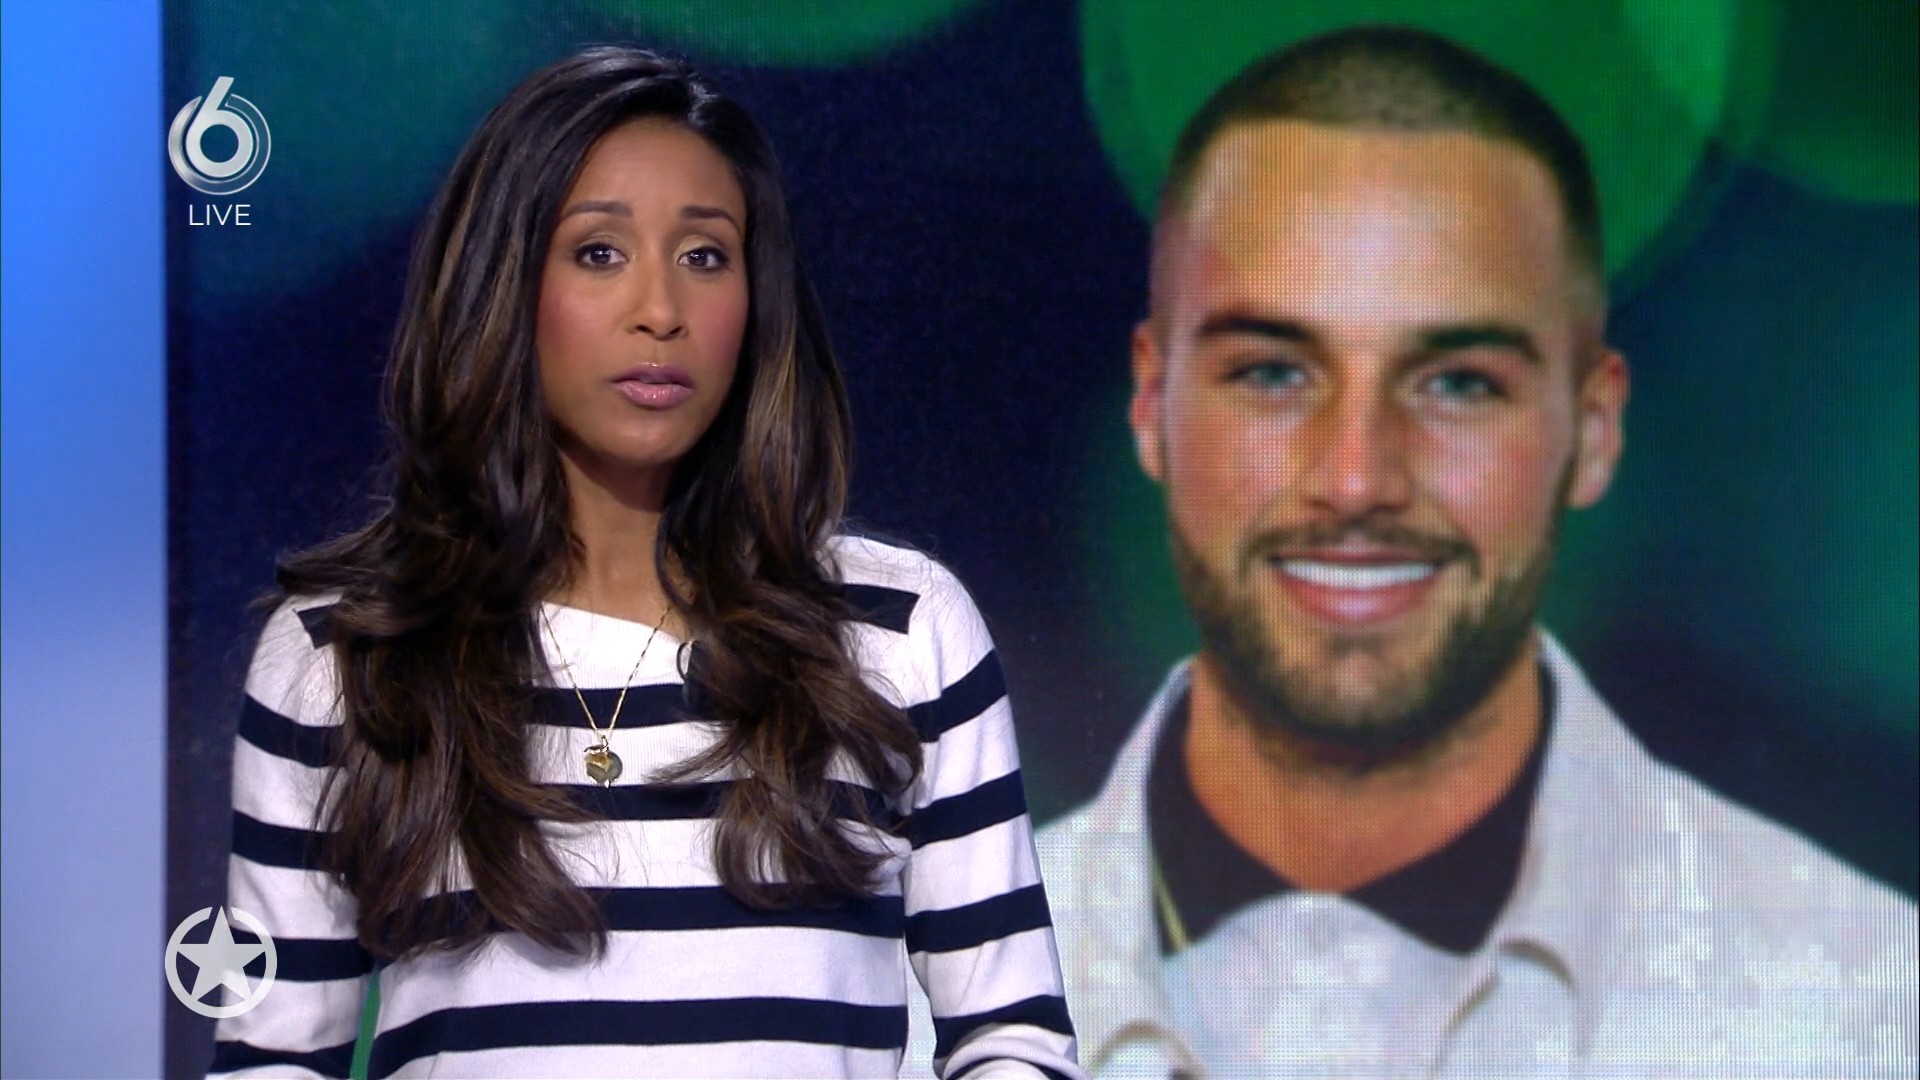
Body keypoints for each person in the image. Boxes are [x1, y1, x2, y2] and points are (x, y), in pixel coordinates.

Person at [1034, 25, 1917, 1079]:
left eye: (1457, 383)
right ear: (1153, 409)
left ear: (1591, 429)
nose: (1356, 477)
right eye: (1273, 373)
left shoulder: (1851, 1016)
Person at [208, 45, 1080, 1079]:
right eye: (599, 252)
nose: (660, 310)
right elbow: (273, 1059)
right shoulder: (347, 654)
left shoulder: (897, 630)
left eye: (705, 256)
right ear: (502, 286)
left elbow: (1012, 1039)